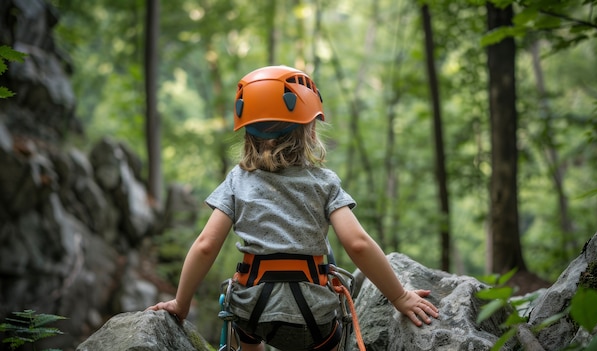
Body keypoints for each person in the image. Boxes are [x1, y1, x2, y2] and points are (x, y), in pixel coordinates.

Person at [147, 65, 439, 351]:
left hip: (252, 309)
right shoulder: (324, 183)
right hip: (312, 316)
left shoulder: (237, 180)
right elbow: (358, 244)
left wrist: (181, 303)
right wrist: (399, 297)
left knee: (245, 326)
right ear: (310, 130)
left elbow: (206, 245)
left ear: (247, 133)